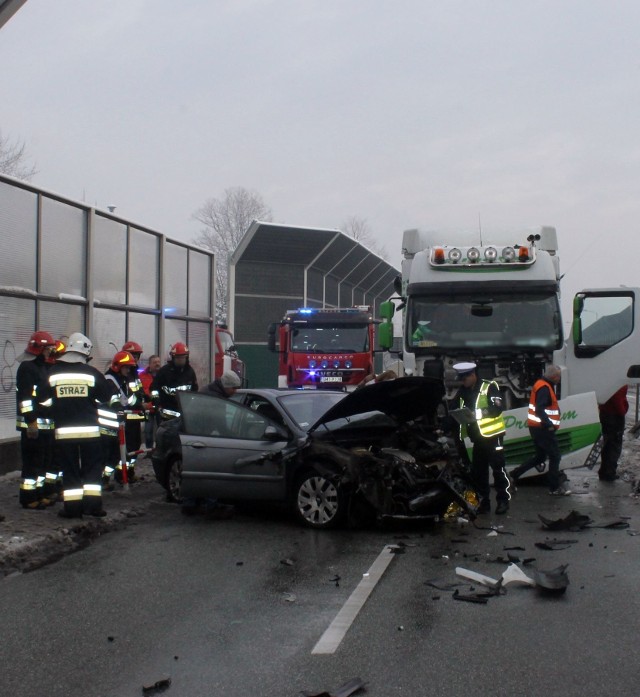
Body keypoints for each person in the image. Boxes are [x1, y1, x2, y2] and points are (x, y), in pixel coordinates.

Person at [46, 332, 112, 518]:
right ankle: (94, 507)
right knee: (92, 470)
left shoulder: (52, 373)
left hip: (64, 433)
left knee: (70, 470)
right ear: (85, 353)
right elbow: (106, 397)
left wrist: (59, 406)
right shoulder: (92, 373)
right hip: (90, 433)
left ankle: (72, 509)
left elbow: (42, 401)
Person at [452, 362, 511, 515]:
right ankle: (484, 503)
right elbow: (454, 409)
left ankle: (503, 501)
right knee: (479, 472)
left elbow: (497, 408)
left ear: (472, 375)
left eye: (464, 378)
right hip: (477, 439)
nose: (462, 382)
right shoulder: (463, 391)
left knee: (498, 470)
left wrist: (475, 414)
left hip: (493, 437)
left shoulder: (489, 386)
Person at [182, 370, 239, 520]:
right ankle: (210, 505)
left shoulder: (207, 390)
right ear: (226, 386)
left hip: (192, 437)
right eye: (234, 388)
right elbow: (219, 424)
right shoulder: (216, 399)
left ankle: (189, 503)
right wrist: (232, 437)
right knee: (211, 472)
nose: (235, 392)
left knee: (195, 471)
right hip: (203, 440)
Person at [511, 365, 570, 495]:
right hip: (543, 429)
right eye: (558, 377)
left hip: (537, 428)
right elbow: (539, 409)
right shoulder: (545, 388)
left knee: (540, 457)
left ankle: (514, 474)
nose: (559, 379)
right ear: (554, 377)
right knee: (555, 456)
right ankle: (554, 488)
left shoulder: (541, 384)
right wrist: (548, 424)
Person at [15, 331, 57, 509]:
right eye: (48, 348)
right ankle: (28, 497)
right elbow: (25, 399)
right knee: (32, 463)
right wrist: (31, 420)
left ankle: (39, 494)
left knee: (42, 463)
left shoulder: (41, 367)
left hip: (45, 423)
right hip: (33, 424)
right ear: (40, 348)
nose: (51, 351)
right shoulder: (27, 368)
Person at [102, 351, 143, 487]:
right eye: (126, 367)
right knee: (109, 454)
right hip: (108, 425)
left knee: (115, 454)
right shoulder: (109, 380)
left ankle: (107, 479)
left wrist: (143, 404)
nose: (129, 370)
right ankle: (103, 479)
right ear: (118, 367)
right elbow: (114, 400)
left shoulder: (122, 380)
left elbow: (130, 399)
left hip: (117, 424)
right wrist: (120, 409)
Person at [150, 342, 199, 420]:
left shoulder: (190, 372)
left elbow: (194, 391)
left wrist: (191, 406)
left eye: (183, 357)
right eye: (178, 358)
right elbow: (154, 389)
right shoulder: (164, 372)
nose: (180, 360)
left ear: (187, 357)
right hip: (166, 415)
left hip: (185, 413)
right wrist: (157, 405)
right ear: (173, 358)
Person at [598, 385, 629, 481]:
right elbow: (617, 399)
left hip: (605, 414)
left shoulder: (609, 379)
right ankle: (609, 472)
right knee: (614, 445)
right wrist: (622, 411)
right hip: (614, 416)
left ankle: (604, 471)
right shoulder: (620, 383)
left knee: (607, 444)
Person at [139, 354, 162, 449]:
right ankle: (149, 451)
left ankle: (160, 449)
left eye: (158, 362)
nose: (157, 364)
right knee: (148, 431)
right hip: (148, 406)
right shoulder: (142, 375)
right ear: (150, 364)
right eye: (154, 362)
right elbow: (140, 389)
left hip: (160, 406)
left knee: (161, 430)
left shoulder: (163, 375)